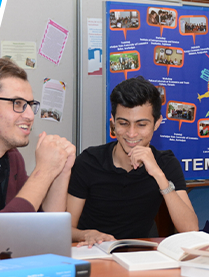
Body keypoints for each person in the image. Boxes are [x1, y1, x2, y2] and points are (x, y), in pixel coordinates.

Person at [68, 77, 198, 243]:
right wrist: (86, 234)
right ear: (113, 122)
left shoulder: (165, 163)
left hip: (140, 253)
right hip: (94, 251)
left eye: (141, 125)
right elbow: (66, 229)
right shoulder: (89, 162)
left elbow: (190, 229)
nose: (131, 133)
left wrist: (159, 175)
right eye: (123, 123)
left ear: (157, 123)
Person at [0, 58, 76, 213]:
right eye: (17, 103)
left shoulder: (12, 157)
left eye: (30, 105)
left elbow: (43, 224)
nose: (30, 115)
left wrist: (61, 170)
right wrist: (44, 170)